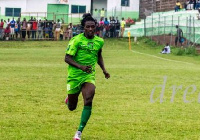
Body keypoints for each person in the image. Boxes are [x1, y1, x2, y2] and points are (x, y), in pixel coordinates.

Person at [64, 13, 110, 140]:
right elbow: (67, 58)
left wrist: (104, 70)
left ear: (96, 27)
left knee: (89, 98)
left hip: (89, 75)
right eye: (88, 27)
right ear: (83, 27)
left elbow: (98, 55)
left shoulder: (99, 41)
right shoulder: (76, 40)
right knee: (72, 108)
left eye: (93, 27)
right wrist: (81, 67)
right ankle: (69, 98)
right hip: (74, 76)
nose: (90, 29)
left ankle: (78, 133)